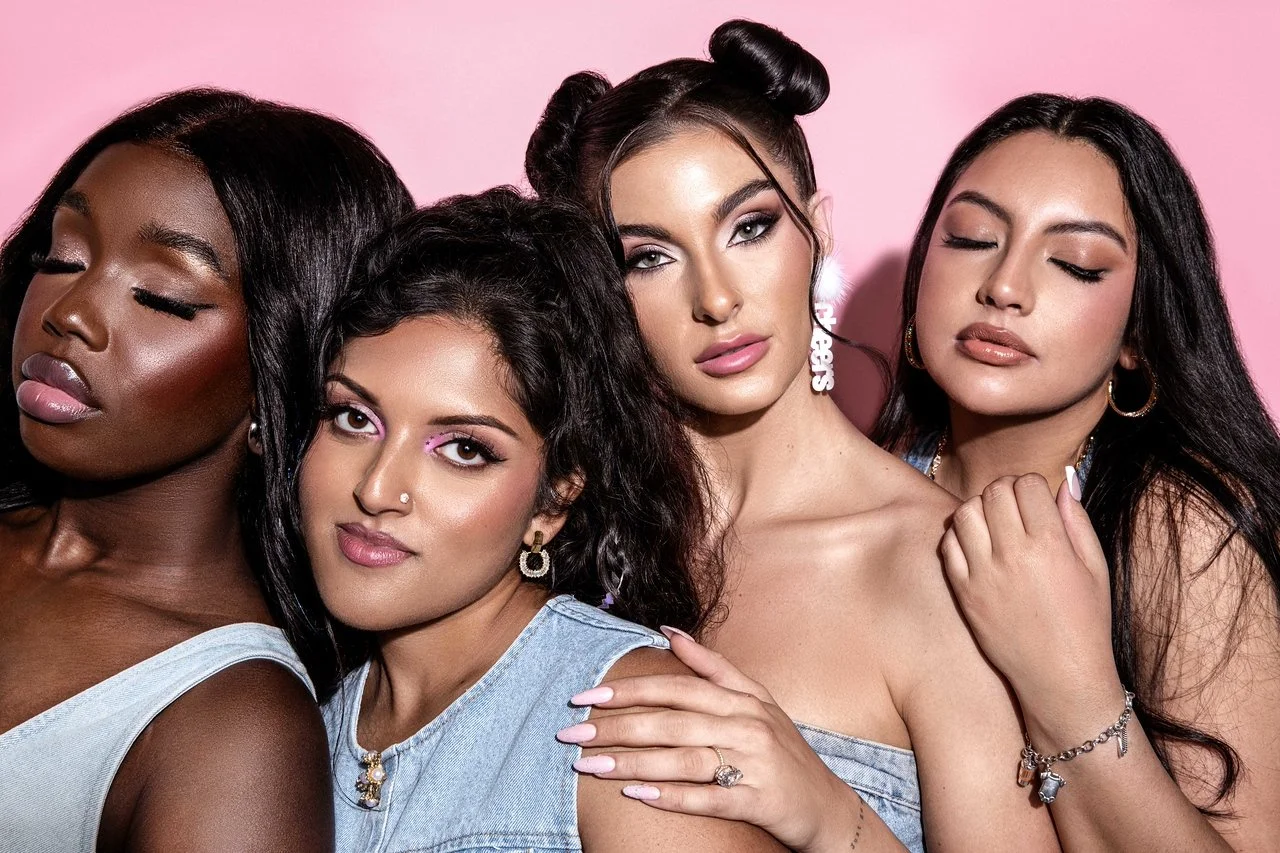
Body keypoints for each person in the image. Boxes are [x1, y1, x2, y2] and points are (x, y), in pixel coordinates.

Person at [525, 20, 1059, 853]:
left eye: (750, 227)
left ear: (818, 228)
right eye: (650, 257)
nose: (717, 297)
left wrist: (821, 808)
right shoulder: (566, 534)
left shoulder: (931, 561)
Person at [296, 187, 782, 852]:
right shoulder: (292, 735)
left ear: (552, 503)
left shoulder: (625, 722)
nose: (378, 488)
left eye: (464, 450)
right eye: (354, 418)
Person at [0, 88, 412, 852]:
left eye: (162, 297)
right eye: (63, 255)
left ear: (275, 382)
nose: (72, 313)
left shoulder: (234, 722)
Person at [872, 93, 1280, 850]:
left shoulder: (1180, 526)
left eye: (1075, 262)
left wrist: (1069, 687)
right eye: (970, 238)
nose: (1005, 286)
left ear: (1136, 337)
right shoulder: (866, 490)